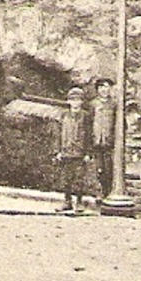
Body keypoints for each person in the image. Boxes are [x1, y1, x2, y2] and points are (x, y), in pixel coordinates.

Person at [56, 86, 93, 214]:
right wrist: (58, 150)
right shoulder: (64, 115)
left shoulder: (85, 116)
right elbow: (59, 133)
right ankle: (67, 202)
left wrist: (88, 153)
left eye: (78, 100)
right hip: (66, 151)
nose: (75, 102)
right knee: (66, 179)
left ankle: (79, 202)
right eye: (73, 100)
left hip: (79, 152)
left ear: (82, 102)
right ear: (68, 101)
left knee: (79, 178)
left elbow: (88, 135)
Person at [89, 77, 117, 198]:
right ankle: (99, 193)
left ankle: (108, 193)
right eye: (101, 87)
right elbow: (88, 123)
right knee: (98, 169)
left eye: (106, 87)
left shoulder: (114, 104)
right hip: (96, 142)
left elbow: (119, 124)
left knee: (109, 169)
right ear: (97, 90)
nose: (104, 90)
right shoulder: (93, 104)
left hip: (109, 142)